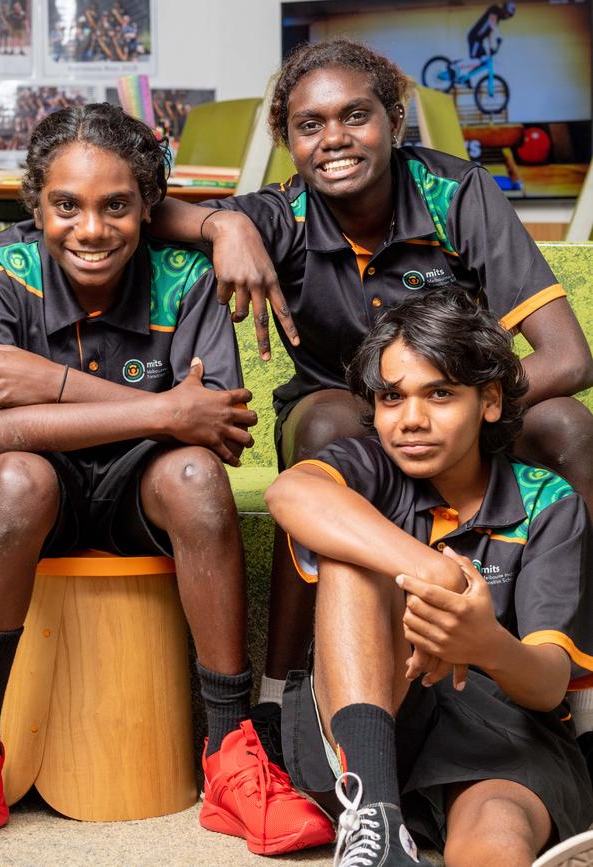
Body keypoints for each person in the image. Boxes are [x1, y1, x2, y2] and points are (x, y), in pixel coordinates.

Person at [150, 38, 593, 758]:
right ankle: (277, 694)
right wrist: (221, 222)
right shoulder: (280, 215)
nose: (334, 140)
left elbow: (569, 357)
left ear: (394, 118)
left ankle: (580, 695)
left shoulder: (457, 193)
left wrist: (454, 403)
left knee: (570, 427)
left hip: (454, 406)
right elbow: (144, 209)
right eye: (309, 124)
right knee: (328, 426)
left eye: (355, 116)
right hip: (335, 408)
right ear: (287, 140)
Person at [0, 103, 333, 857]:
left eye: (117, 204)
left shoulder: (186, 273)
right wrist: (161, 408)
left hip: (140, 491)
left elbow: (213, 428)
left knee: (191, 473)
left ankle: (230, 756)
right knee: (19, 475)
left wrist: (45, 387)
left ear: (150, 205)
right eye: (66, 206)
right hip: (26, 497)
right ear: (35, 205)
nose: (91, 229)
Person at [264, 288, 593, 867]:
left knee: (495, 835)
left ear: (489, 400)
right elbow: (290, 492)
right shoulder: (367, 470)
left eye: (440, 394)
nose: (411, 420)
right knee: (350, 555)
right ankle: (377, 821)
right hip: (371, 717)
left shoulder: (548, 503)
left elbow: (545, 687)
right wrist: (435, 572)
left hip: (504, 733)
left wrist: (481, 642)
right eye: (392, 398)